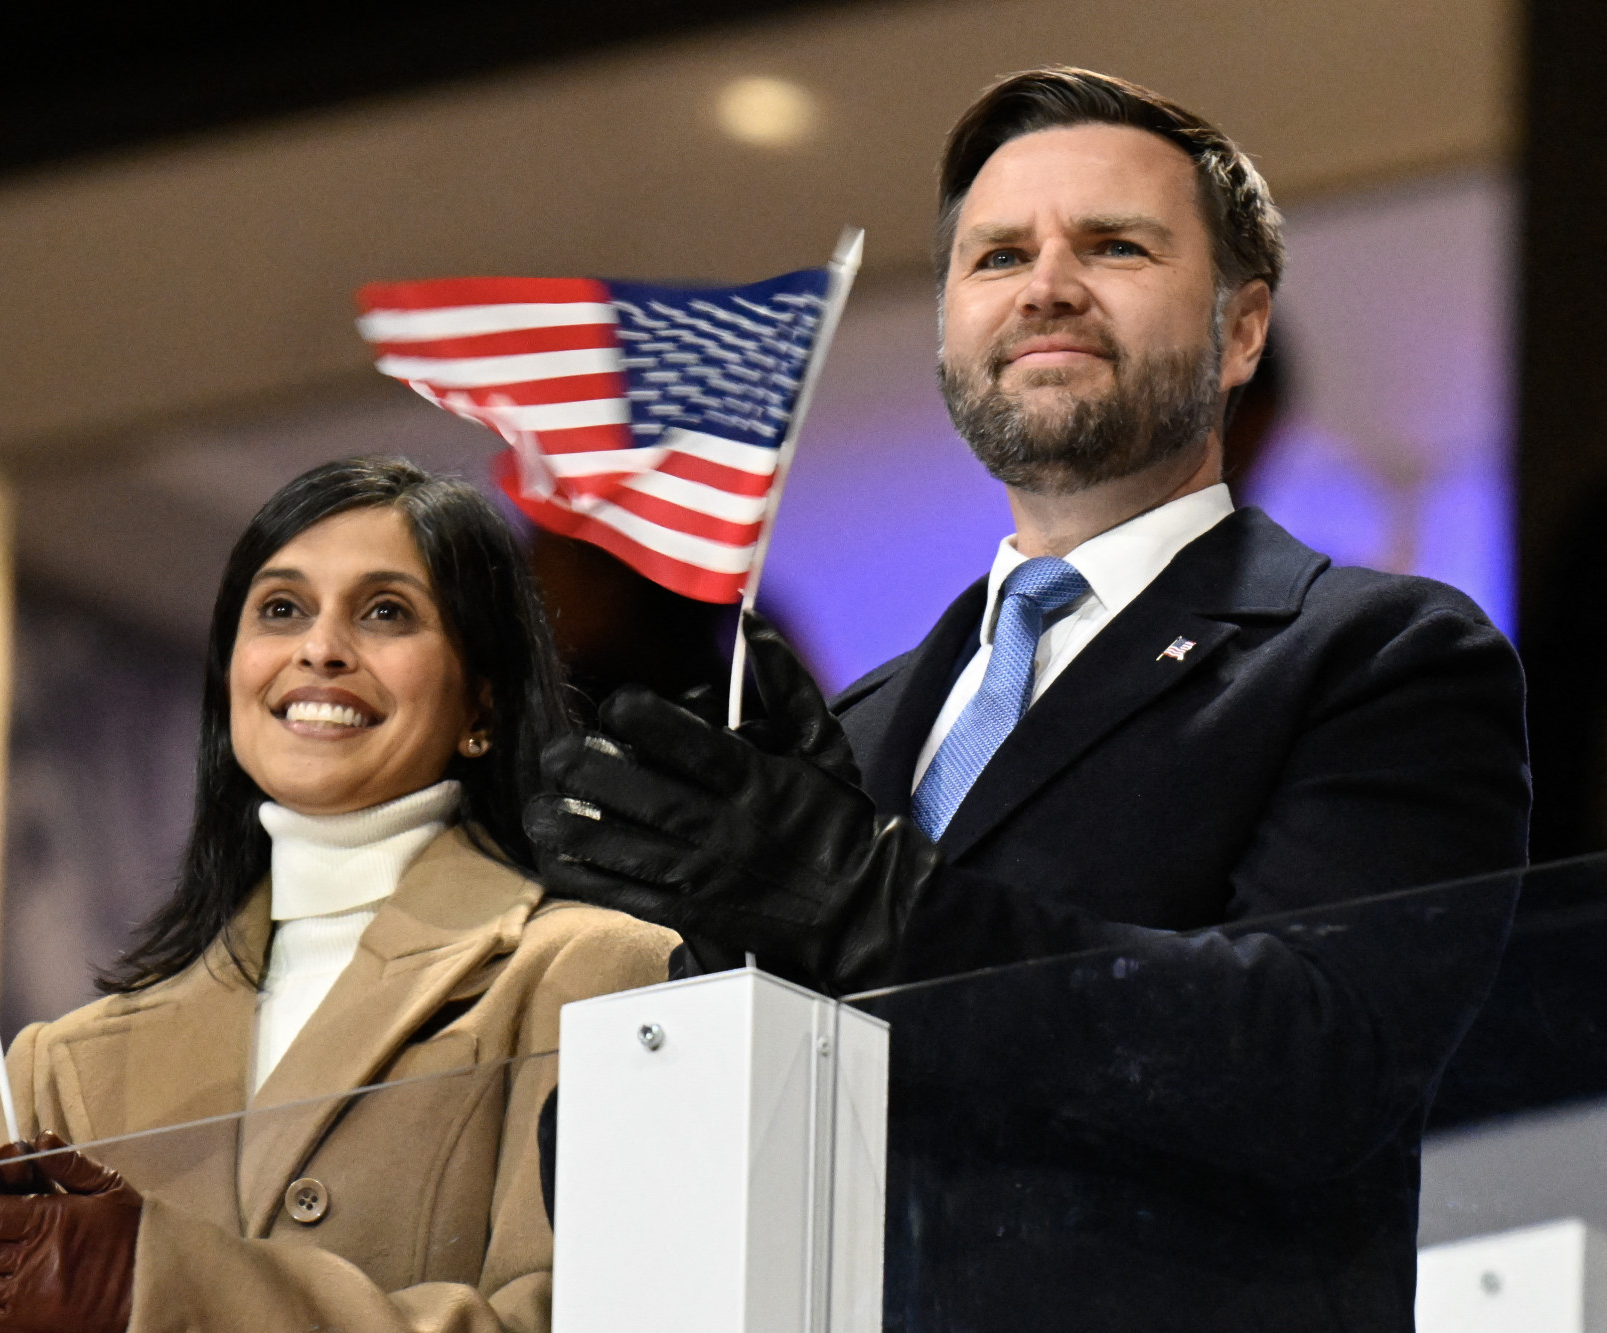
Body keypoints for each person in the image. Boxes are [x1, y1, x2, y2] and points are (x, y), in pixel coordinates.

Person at [524, 68, 1530, 1331]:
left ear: (1239, 332)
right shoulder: (855, 730)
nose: (1045, 285)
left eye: (1113, 245)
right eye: (998, 256)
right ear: (951, 336)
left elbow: (1310, 1064)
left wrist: (866, 905)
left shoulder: (1378, 657)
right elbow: (602, 1180)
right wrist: (741, 957)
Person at [0, 457, 676, 1333]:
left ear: (482, 702)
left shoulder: (599, 972)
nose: (320, 648)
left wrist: (158, 1284)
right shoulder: (58, 1067)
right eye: (282, 609)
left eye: (386, 611)